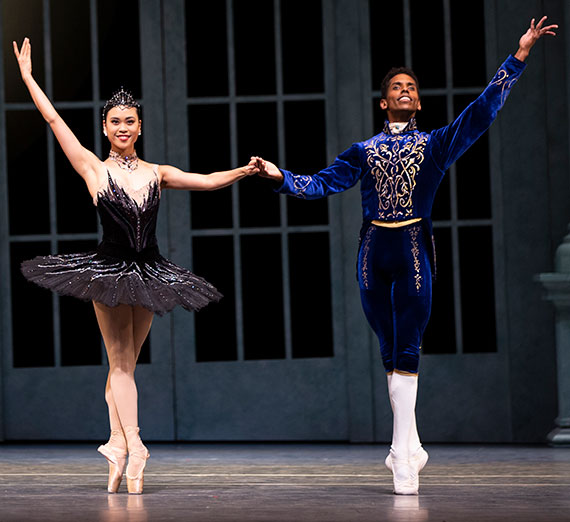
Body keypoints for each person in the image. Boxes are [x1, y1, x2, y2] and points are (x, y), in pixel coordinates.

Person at [254, 17, 557, 495]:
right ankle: (406, 448)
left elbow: (481, 113)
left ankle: (403, 463)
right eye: (396, 86)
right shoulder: (364, 150)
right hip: (373, 253)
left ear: (418, 100)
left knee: (408, 351)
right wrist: (279, 177)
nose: (404, 91)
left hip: (413, 247)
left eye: (411, 87)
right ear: (384, 101)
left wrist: (517, 57)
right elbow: (322, 182)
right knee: (389, 352)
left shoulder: (435, 145)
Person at [13, 37, 259, 495]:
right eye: (115, 122)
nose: (122, 128)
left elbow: (205, 182)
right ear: (105, 128)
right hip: (108, 273)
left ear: (139, 127)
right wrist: (28, 78)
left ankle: (115, 444)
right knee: (121, 364)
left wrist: (244, 172)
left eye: (129, 121)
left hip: (150, 274)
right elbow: (53, 120)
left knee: (123, 366)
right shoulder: (93, 169)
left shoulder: (157, 173)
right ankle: (137, 446)